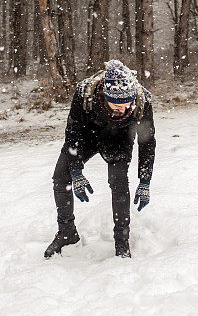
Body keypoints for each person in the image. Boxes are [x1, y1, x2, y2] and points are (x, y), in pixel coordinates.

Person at [44, 59, 156, 259]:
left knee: (119, 182)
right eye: (116, 104)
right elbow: (73, 133)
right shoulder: (84, 93)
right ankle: (67, 232)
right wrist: (76, 172)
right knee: (61, 176)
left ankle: (122, 242)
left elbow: (147, 142)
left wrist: (145, 181)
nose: (122, 109)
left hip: (119, 141)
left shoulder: (142, 102)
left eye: (126, 104)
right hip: (87, 135)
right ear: (104, 95)